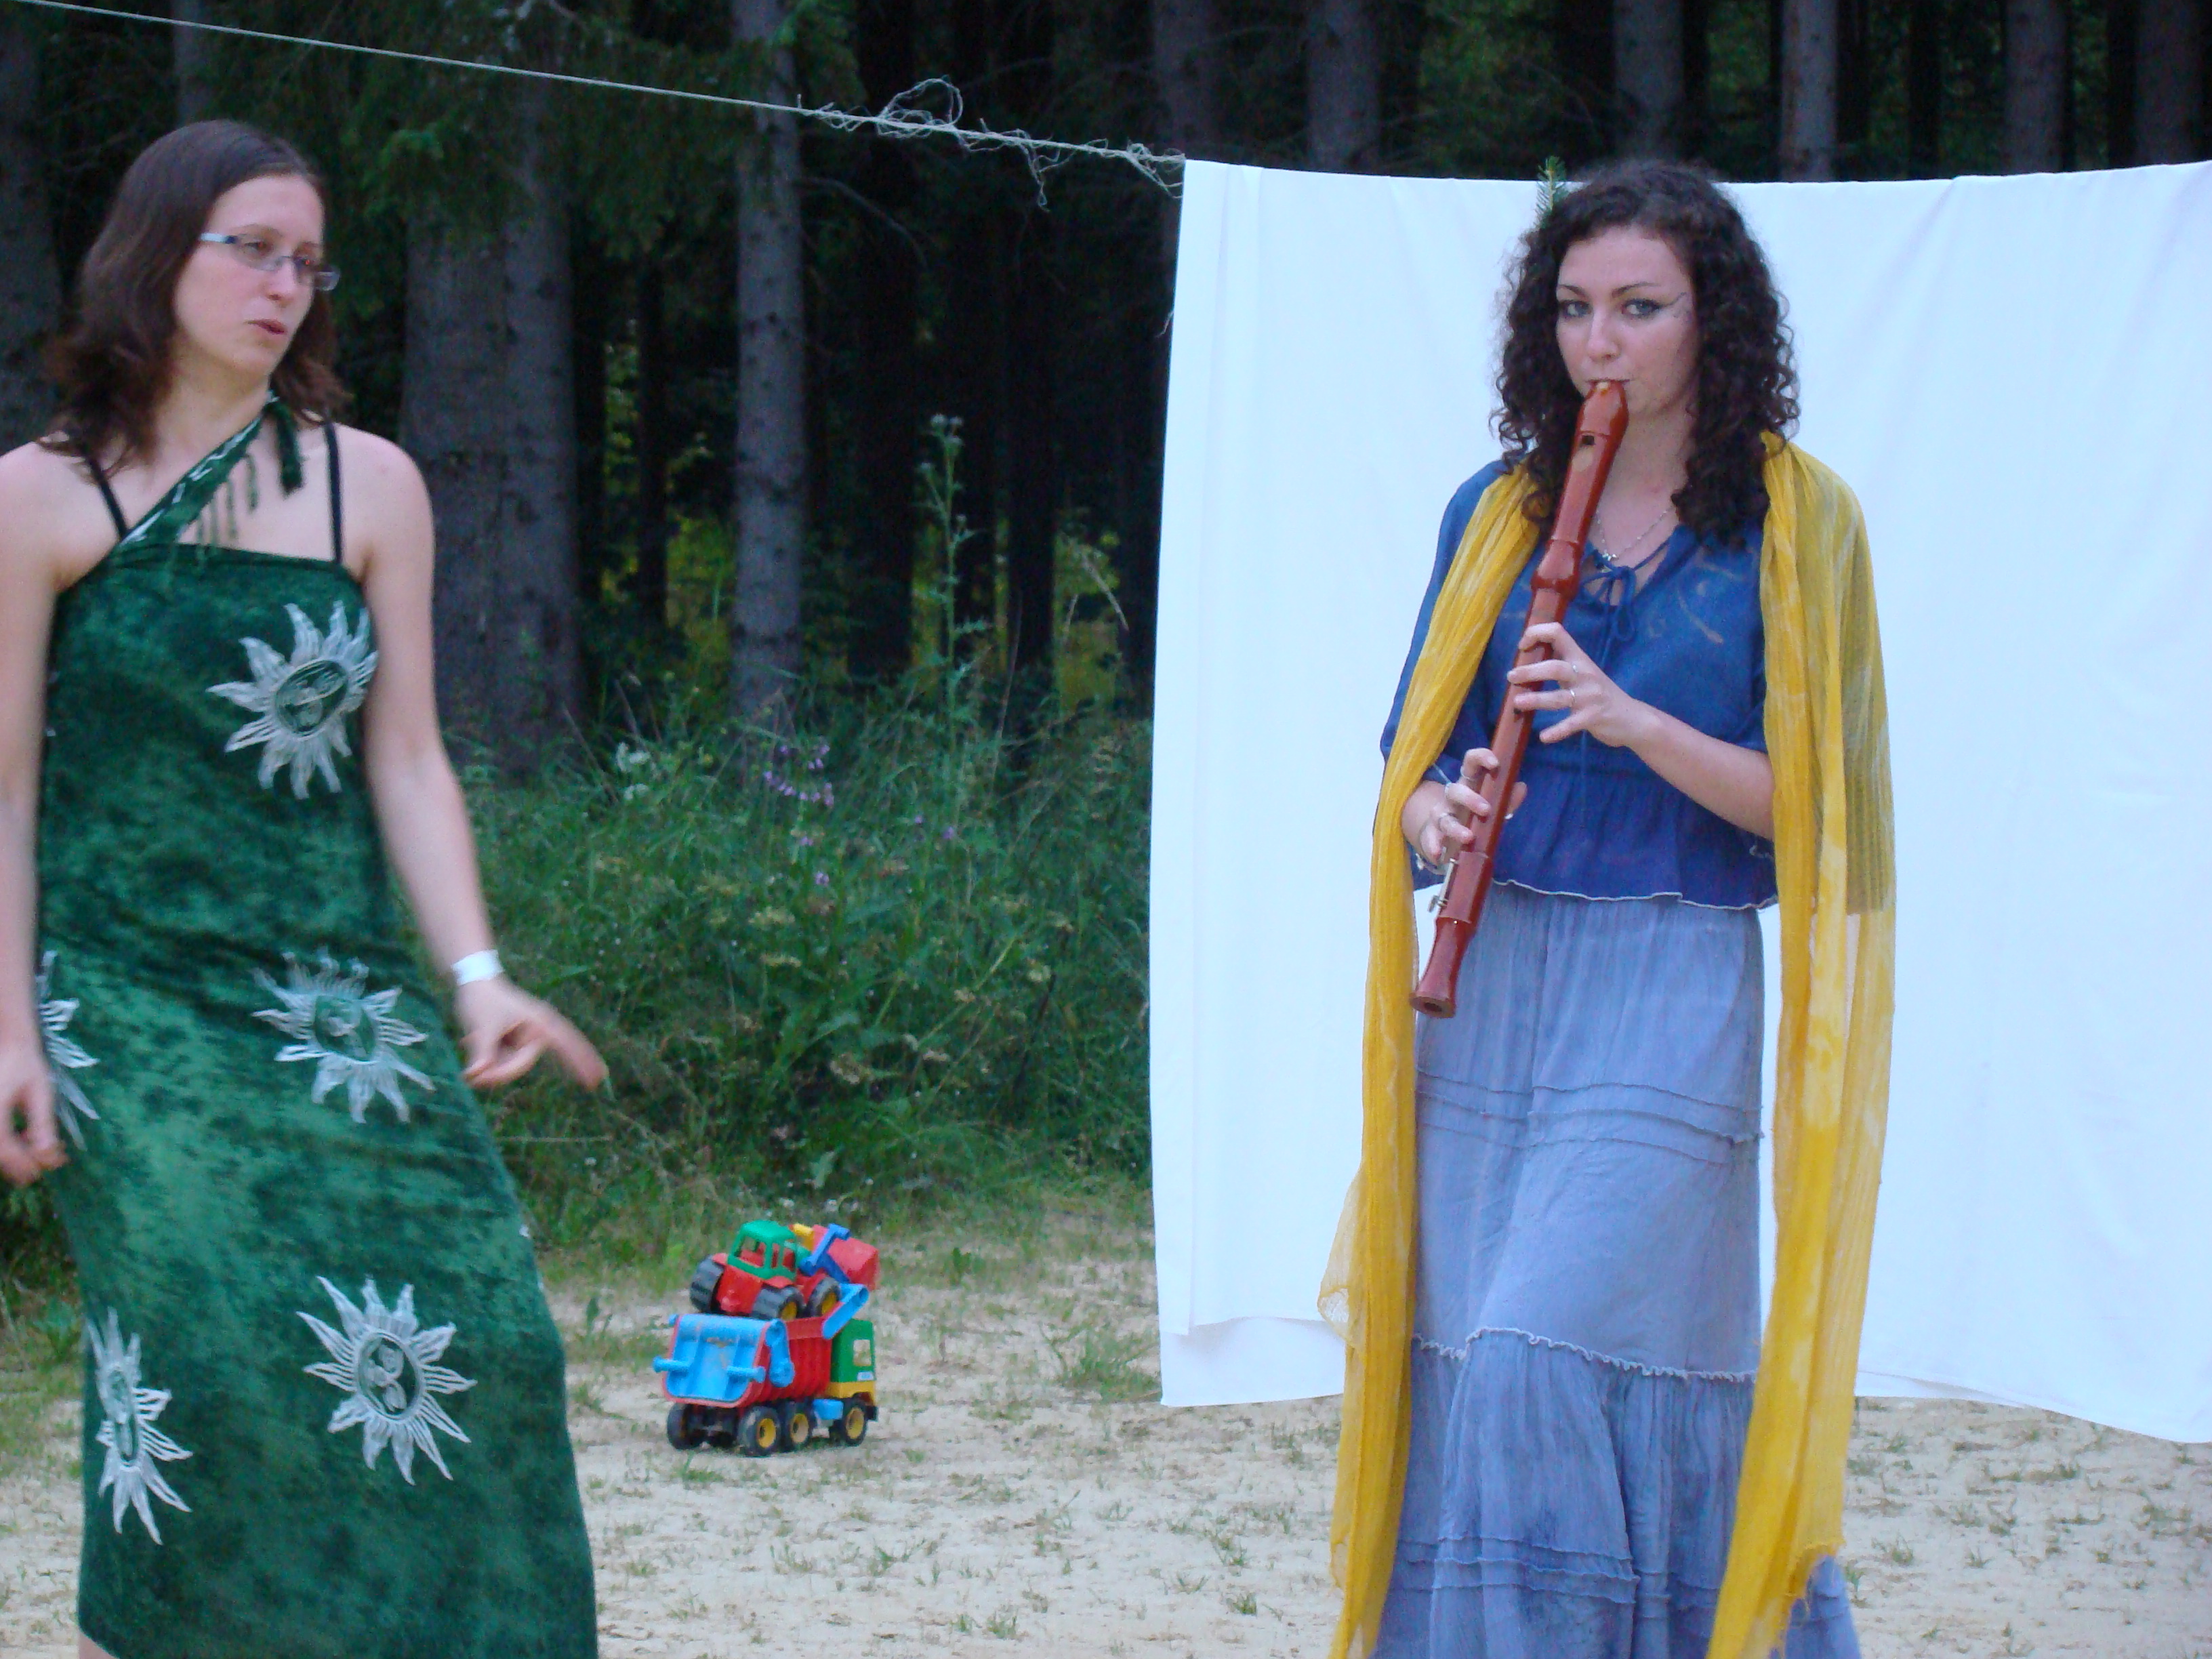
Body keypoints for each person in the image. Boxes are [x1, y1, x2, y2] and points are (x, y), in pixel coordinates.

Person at [0, 121, 607, 1659]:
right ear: (156, 255)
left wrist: (478, 976)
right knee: (213, 1354)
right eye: (252, 250)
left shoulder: (371, 485)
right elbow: (1, 789)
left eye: (308, 264)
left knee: (488, 1331)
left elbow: (408, 757)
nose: (286, 286)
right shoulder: (40, 498)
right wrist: (8, 1029)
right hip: (130, 1002)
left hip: (340, 1001)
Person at [1327, 161, 1893, 1658]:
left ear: (1715, 319)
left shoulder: (1798, 522)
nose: (1602, 342)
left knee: (1541, 1344)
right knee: (1477, 1353)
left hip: (1673, 980)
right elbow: (1410, 765)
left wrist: (1636, 722)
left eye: (1641, 308)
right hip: (1498, 976)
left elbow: (1826, 821)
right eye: (1576, 308)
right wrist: (1435, 813)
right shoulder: (1497, 512)